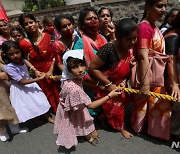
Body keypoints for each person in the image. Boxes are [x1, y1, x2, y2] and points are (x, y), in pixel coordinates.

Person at [131, 0, 179, 140]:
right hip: (148, 72)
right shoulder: (145, 27)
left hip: (155, 71)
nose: (163, 9)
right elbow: (143, 56)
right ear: (148, 8)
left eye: (165, 6)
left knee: (153, 104)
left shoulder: (153, 26)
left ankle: (149, 128)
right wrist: (146, 83)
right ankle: (145, 128)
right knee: (151, 104)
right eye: (159, 6)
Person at [54, 49, 121, 149]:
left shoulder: (68, 76)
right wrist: (110, 95)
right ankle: (88, 137)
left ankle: (86, 135)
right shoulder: (74, 89)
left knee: (76, 123)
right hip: (75, 109)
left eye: (82, 64)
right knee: (81, 122)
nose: (81, 69)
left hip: (70, 106)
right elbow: (91, 105)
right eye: (75, 67)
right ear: (68, 68)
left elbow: (61, 78)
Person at [88, 18, 137, 139]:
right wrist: (109, 84)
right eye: (128, 39)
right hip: (108, 84)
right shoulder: (108, 49)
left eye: (134, 38)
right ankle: (121, 127)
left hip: (121, 83)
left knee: (121, 106)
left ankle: (109, 119)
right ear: (118, 37)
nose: (132, 42)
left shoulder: (130, 47)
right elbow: (92, 68)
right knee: (115, 108)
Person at [18, 13, 60, 114]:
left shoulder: (49, 35)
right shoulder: (23, 43)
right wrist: (35, 70)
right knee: (49, 94)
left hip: (54, 68)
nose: (30, 25)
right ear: (23, 27)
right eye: (26, 24)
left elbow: (56, 53)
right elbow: (24, 59)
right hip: (39, 73)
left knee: (60, 91)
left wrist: (50, 70)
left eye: (31, 22)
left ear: (37, 23)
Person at [2, 40, 51, 124]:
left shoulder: (22, 60)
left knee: (40, 100)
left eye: (17, 52)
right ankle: (35, 118)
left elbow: (26, 62)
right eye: (11, 54)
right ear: (6, 55)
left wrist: (34, 69)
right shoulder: (9, 67)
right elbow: (22, 82)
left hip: (30, 82)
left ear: (21, 51)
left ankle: (48, 117)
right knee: (29, 105)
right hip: (20, 88)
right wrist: (38, 79)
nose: (15, 56)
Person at [73, 7, 107, 116]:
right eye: (88, 19)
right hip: (90, 83)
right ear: (82, 23)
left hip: (105, 79)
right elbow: (78, 69)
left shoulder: (103, 38)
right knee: (91, 111)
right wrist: (96, 83)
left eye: (95, 18)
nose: (93, 21)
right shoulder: (79, 44)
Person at [0, 63, 28, 142]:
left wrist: (9, 71)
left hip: (4, 85)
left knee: (11, 105)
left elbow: (3, 66)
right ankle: (2, 132)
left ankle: (15, 127)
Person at [164, 12, 180, 138]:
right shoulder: (173, 37)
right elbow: (170, 60)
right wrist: (175, 84)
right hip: (171, 77)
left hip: (175, 75)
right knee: (177, 105)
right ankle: (175, 132)